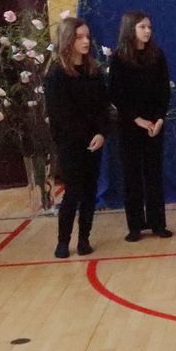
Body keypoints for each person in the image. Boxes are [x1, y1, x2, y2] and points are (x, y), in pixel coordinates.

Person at [45, 17, 109, 258]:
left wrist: (101, 133)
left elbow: (103, 107)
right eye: (79, 37)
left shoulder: (93, 71)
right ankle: (63, 241)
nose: (85, 41)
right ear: (67, 40)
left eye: (87, 37)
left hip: (95, 141)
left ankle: (84, 238)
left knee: (90, 191)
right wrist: (85, 136)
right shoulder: (57, 74)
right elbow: (61, 114)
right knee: (73, 191)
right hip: (71, 143)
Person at [109, 10, 173, 242]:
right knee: (132, 175)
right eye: (142, 27)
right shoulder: (119, 58)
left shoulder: (157, 56)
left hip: (154, 124)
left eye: (149, 27)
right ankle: (135, 225)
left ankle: (158, 223)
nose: (147, 31)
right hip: (129, 125)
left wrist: (159, 119)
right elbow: (116, 94)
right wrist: (137, 119)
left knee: (154, 174)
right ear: (130, 29)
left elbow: (163, 90)